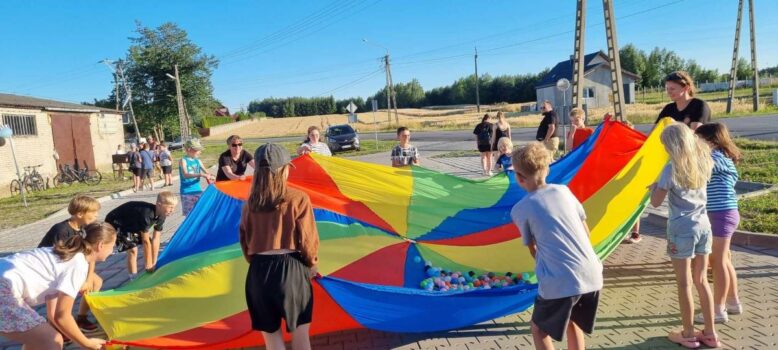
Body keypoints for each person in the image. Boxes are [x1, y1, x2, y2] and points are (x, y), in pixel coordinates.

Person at [510, 142, 603, 350]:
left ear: (519, 177)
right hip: (592, 274)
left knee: (539, 329)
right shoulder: (564, 191)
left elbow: (533, 249)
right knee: (574, 322)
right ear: (548, 168)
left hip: (561, 279)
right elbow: (586, 232)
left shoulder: (521, 209)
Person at [240, 143, 319, 350]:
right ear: (283, 169)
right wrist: (312, 264)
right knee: (301, 338)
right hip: (291, 270)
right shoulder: (298, 198)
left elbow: (245, 243)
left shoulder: (249, 204)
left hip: (258, 272)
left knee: (272, 340)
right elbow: (308, 240)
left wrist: (258, 262)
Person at [648, 123, 719, 348]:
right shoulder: (703, 162)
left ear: (672, 146)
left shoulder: (670, 168)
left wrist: (655, 188)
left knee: (684, 283)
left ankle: (688, 333)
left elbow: (656, 202)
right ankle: (710, 333)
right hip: (704, 226)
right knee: (701, 281)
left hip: (681, 228)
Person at [0, 222, 116, 350]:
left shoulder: (65, 254)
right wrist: (87, 343)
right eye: (112, 246)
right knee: (52, 340)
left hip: (5, 280)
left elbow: (56, 314)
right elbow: (63, 316)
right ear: (100, 245)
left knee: (38, 340)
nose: (112, 251)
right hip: (4, 288)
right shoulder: (77, 264)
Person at [694, 123, 743, 324]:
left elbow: (695, 172)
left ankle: (718, 309)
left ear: (711, 142)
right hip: (724, 213)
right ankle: (732, 302)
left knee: (718, 262)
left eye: (697, 140)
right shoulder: (722, 158)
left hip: (720, 214)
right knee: (723, 260)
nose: (695, 144)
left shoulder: (713, 158)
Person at [37, 195, 102, 333]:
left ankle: (82, 318)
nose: (96, 216)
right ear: (79, 214)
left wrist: (89, 278)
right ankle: (55, 324)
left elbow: (90, 255)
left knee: (96, 282)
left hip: (73, 265)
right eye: (93, 214)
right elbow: (59, 258)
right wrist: (80, 279)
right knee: (55, 295)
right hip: (51, 269)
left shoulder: (85, 228)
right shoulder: (61, 231)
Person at [105, 191, 178, 280]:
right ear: (159, 205)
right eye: (170, 207)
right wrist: (148, 265)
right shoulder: (147, 215)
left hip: (133, 223)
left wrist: (154, 263)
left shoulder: (162, 215)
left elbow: (156, 239)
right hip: (116, 222)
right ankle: (133, 278)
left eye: (174, 208)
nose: (172, 211)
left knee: (150, 246)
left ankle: (149, 268)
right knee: (132, 249)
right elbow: (145, 242)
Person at [180, 139, 214, 215]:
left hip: (198, 190)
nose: (200, 152)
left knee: (200, 213)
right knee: (189, 216)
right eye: (197, 150)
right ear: (189, 149)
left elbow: (207, 172)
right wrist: (200, 174)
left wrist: (212, 177)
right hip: (187, 192)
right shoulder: (183, 160)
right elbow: (185, 174)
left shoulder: (198, 161)